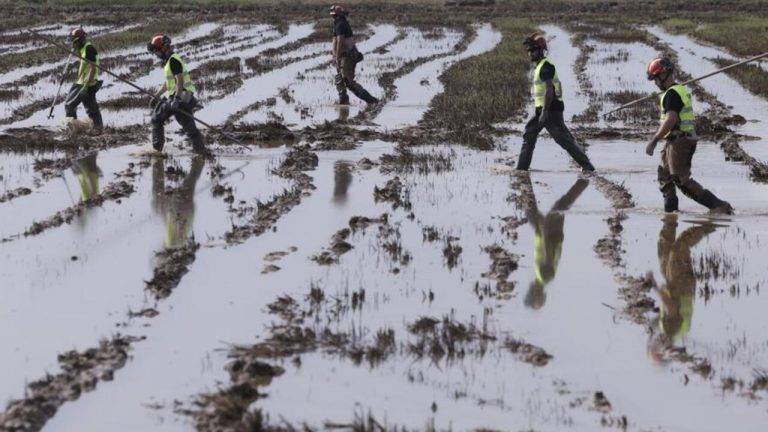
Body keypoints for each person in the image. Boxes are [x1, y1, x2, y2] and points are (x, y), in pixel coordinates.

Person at [645, 58, 733, 214]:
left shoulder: (672, 94)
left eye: (656, 78)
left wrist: (654, 139)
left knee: (681, 180)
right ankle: (670, 214)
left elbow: (671, 120)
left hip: (680, 140)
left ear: (665, 73)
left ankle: (719, 206)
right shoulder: (675, 91)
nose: (655, 82)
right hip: (675, 139)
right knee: (665, 176)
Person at [517, 32, 595, 172]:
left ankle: (588, 167)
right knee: (530, 133)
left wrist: (545, 112)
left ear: (540, 50)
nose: (530, 53)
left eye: (533, 50)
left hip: (550, 110)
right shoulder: (540, 66)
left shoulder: (546, 67)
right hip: (544, 109)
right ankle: (521, 169)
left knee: (563, 140)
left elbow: (549, 90)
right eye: (529, 51)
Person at [647, 215, 716, 363]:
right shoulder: (671, 330)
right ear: (665, 350)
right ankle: (712, 224)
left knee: (664, 246)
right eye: (656, 351)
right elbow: (671, 306)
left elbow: (664, 315)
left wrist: (651, 324)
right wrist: (654, 286)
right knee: (680, 246)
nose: (653, 346)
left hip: (674, 285)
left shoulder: (671, 332)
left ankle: (670, 217)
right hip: (680, 286)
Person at [522, 176, 589, 309]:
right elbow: (548, 252)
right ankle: (584, 181)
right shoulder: (544, 276)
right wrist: (543, 229)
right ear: (535, 291)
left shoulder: (541, 277)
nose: (529, 290)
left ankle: (583, 182)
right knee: (560, 206)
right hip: (551, 234)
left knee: (534, 209)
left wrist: (539, 228)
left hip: (546, 232)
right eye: (532, 293)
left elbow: (543, 250)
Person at [147, 34, 207, 154]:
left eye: (156, 51)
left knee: (156, 119)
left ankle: (156, 151)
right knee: (190, 128)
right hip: (184, 98)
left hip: (180, 98)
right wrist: (157, 95)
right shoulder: (170, 61)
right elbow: (169, 82)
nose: (156, 55)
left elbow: (180, 80)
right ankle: (201, 152)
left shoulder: (173, 61)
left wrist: (177, 99)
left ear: (163, 48)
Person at [152, 156, 204, 249]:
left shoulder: (175, 240)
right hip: (182, 208)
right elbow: (169, 218)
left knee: (190, 182)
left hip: (185, 208)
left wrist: (159, 210)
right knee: (189, 183)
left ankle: (200, 161)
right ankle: (156, 162)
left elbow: (169, 218)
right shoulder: (173, 240)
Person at [330, 5, 378, 105]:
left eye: (333, 15)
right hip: (343, 56)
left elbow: (340, 41)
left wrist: (337, 58)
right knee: (340, 79)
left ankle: (372, 101)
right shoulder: (339, 23)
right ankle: (343, 102)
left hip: (347, 56)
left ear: (337, 15)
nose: (332, 17)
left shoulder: (340, 24)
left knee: (348, 81)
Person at [64, 27, 103, 134]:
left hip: (87, 83)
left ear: (79, 41)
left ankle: (72, 128)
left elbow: (93, 67)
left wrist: (86, 86)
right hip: (83, 82)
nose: (72, 45)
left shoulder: (89, 49)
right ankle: (97, 127)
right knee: (91, 107)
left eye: (73, 42)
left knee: (70, 105)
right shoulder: (82, 49)